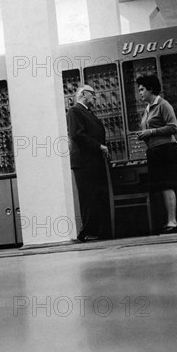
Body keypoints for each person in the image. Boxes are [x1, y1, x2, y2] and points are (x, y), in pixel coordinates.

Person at [67, 85, 110, 242]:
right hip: (84, 162)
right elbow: (77, 134)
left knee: (95, 197)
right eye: (93, 94)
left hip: (92, 161)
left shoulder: (87, 112)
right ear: (83, 94)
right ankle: (85, 232)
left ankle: (95, 231)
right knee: (88, 198)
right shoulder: (74, 111)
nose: (95, 97)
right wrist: (99, 146)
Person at [136, 74, 177, 233]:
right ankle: (167, 221)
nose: (139, 93)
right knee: (160, 186)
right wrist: (145, 134)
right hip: (154, 151)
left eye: (142, 89)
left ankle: (172, 221)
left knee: (167, 185)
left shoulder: (163, 105)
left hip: (166, 149)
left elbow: (174, 127)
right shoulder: (147, 109)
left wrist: (151, 131)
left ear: (151, 89)